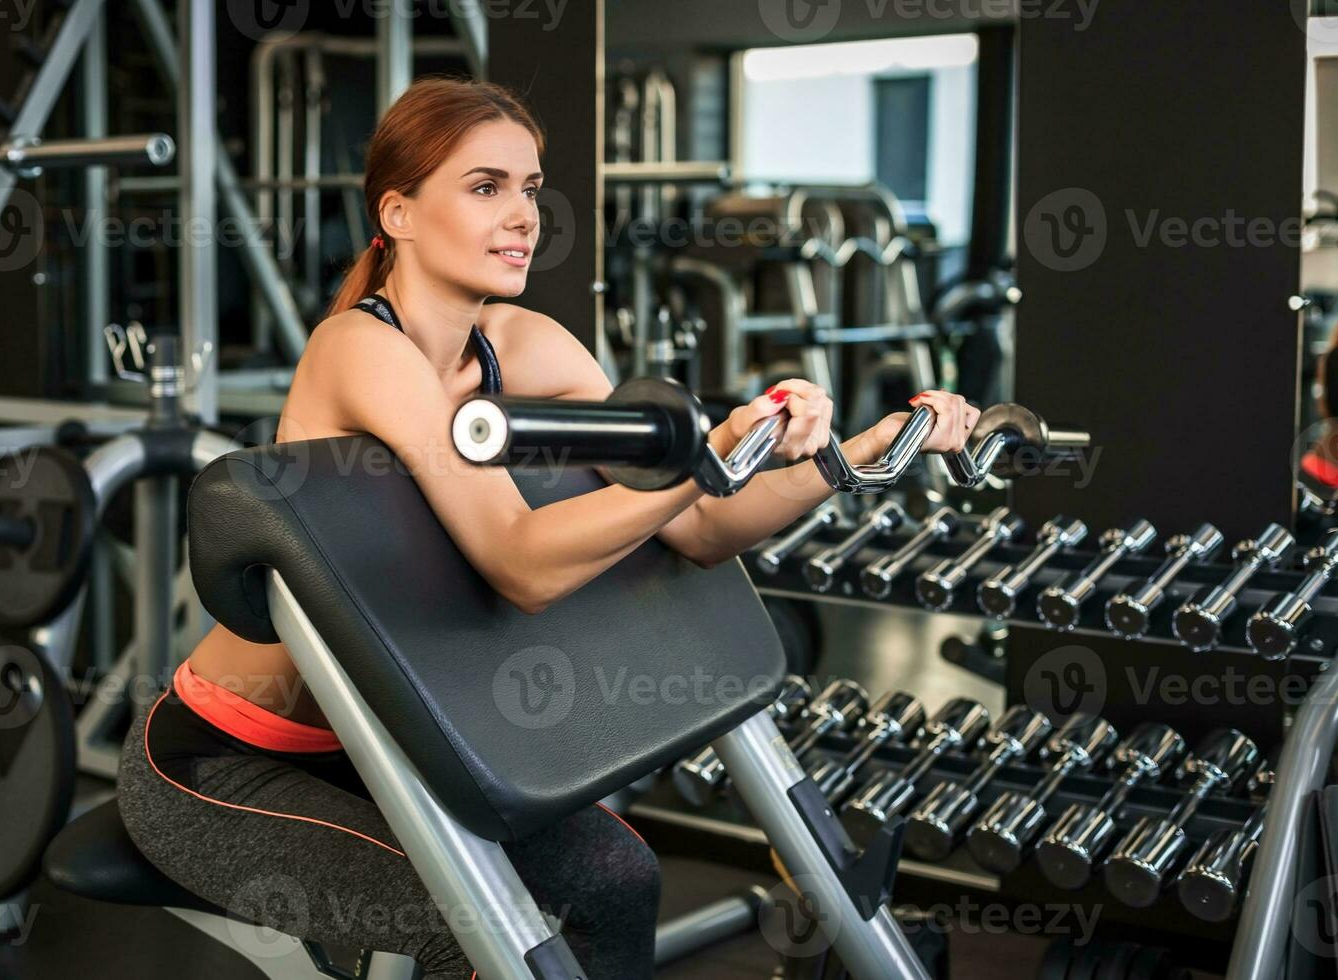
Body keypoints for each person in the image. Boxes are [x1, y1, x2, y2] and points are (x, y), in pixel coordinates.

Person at [117, 76, 979, 978]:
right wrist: (705, 460)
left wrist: (852, 456)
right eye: (486, 187)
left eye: (530, 187)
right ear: (399, 212)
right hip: (226, 763)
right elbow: (518, 562)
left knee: (617, 877)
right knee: (473, 930)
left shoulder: (527, 347)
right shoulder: (359, 350)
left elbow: (700, 528)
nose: (524, 213)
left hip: (392, 752)